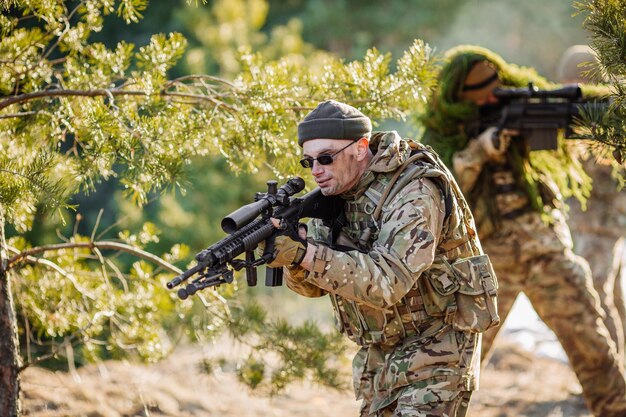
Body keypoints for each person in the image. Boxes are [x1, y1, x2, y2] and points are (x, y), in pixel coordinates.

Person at [419, 44, 626, 417]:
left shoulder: (518, 100)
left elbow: (573, 116)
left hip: (544, 249)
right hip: (486, 262)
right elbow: (440, 192)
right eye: (478, 89)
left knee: (593, 349)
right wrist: (480, 150)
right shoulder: (443, 135)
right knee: (460, 361)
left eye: (493, 83)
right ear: (458, 94)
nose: (490, 93)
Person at [260, 99, 499, 416]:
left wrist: (305, 254)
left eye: (326, 158)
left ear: (360, 148)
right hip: (380, 354)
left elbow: (388, 282)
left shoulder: (415, 189)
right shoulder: (336, 193)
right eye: (308, 162)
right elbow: (315, 286)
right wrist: (294, 260)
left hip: (438, 344)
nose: (317, 170)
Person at [558, 44, 626, 359]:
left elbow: (606, 167)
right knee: (610, 292)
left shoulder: (608, 110)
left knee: (596, 294)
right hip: (593, 221)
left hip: (603, 222)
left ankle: (610, 377)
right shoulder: (582, 108)